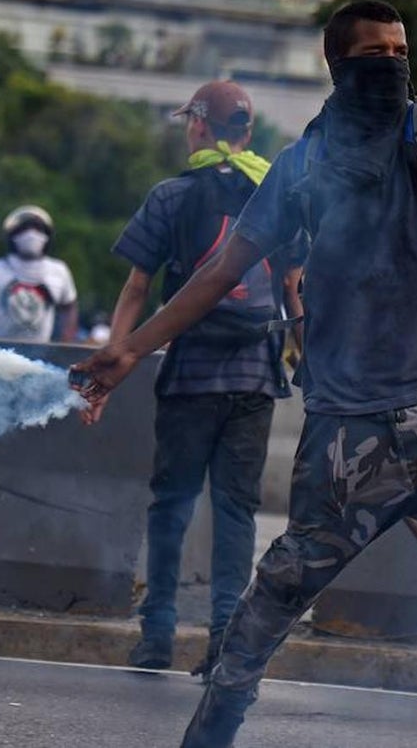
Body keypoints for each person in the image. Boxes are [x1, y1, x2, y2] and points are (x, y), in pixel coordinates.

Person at [72, 0, 417, 748]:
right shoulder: (303, 165)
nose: (393, 66)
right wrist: (130, 350)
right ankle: (210, 730)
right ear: (339, 67)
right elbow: (217, 272)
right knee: (278, 591)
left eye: (401, 51)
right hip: (348, 430)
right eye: (375, 54)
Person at [107, 80, 305, 681]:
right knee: (237, 511)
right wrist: (308, 355)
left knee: (171, 506)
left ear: (198, 126)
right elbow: (294, 288)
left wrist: (117, 353)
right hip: (255, 377)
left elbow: (138, 288)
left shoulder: (171, 196)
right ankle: (224, 637)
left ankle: (157, 636)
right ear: (246, 133)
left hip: (190, 372)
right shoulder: (279, 196)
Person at [0, 204, 78, 343]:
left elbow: (69, 307)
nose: (31, 235)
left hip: (42, 351)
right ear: (12, 236)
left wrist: (65, 341)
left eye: (38, 229)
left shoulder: (59, 270)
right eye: (24, 229)